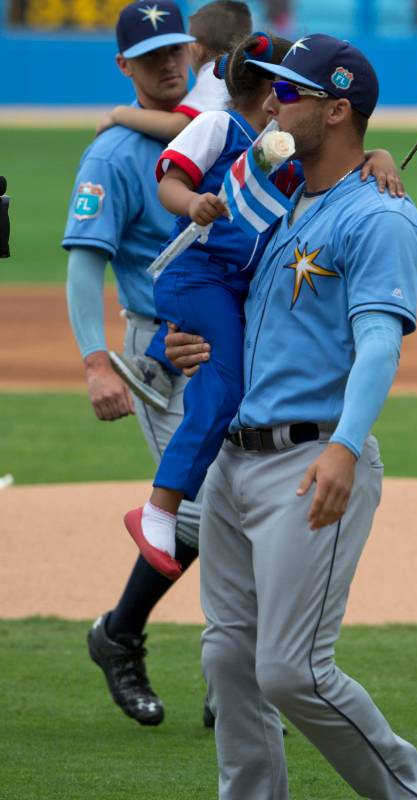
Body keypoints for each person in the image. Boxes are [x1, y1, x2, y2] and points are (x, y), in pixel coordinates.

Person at [172, 33, 417, 799]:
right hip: (233, 461)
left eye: (288, 92)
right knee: (228, 659)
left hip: (310, 461)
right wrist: (189, 339)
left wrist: (343, 443)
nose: (270, 101)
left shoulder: (384, 220)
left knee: (293, 669)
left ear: (337, 110)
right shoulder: (281, 200)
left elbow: (377, 346)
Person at [67, 0, 201, 728]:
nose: (170, 64)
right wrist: (97, 363)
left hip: (231, 346)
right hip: (158, 355)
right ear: (125, 68)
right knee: (210, 513)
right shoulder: (113, 158)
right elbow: (85, 268)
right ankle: (120, 635)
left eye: (177, 49)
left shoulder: (210, 125)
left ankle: (229, 671)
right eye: (152, 57)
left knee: (245, 504)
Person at [115, 32, 291, 580]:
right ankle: (160, 507)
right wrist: (193, 202)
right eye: (290, 86)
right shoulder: (219, 126)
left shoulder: (279, 142)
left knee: (242, 379)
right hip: (196, 275)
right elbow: (170, 181)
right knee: (225, 380)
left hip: (235, 284)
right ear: (268, 91)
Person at [97, 0, 251, 141]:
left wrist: (118, 114)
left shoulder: (214, 76)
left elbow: (176, 127)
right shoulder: (248, 70)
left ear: (195, 50)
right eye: (151, 54)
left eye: (176, 49)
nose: (169, 64)